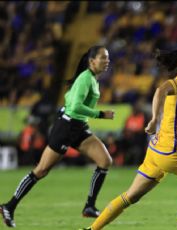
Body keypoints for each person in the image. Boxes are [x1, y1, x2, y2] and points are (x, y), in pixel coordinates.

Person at [80, 45, 177, 230]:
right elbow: (161, 90)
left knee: (130, 196)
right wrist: (153, 120)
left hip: (156, 150)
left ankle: (91, 229)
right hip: (173, 151)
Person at [0, 45, 115, 228]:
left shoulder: (91, 79)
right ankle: (9, 206)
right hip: (66, 127)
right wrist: (101, 114)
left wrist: (66, 107)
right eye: (103, 58)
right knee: (41, 170)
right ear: (92, 61)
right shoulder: (86, 79)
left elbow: (69, 96)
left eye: (108, 57)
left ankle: (89, 206)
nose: (107, 61)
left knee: (105, 160)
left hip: (78, 126)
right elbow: (76, 106)